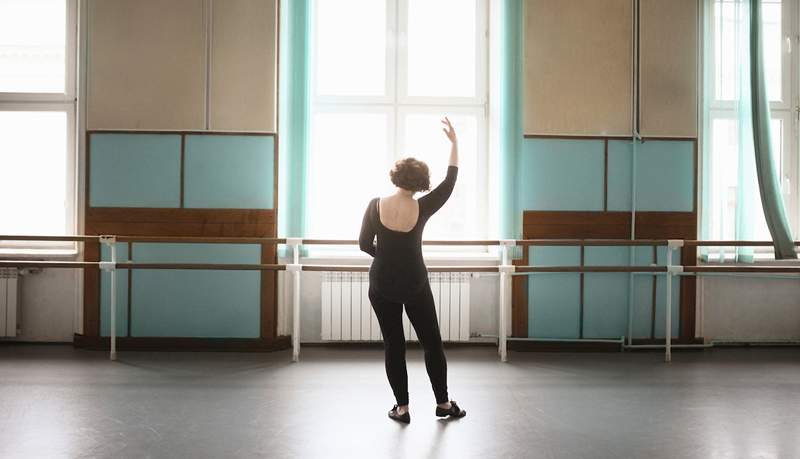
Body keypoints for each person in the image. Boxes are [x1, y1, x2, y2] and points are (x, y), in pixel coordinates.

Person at [359, 117, 467, 424]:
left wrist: (386, 257)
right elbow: (449, 182)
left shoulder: (374, 205)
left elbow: (364, 243)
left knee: (394, 345)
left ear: (396, 177)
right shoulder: (423, 206)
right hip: (415, 283)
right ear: (419, 183)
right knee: (432, 343)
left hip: (381, 284)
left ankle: (402, 408)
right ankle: (444, 404)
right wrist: (455, 144)